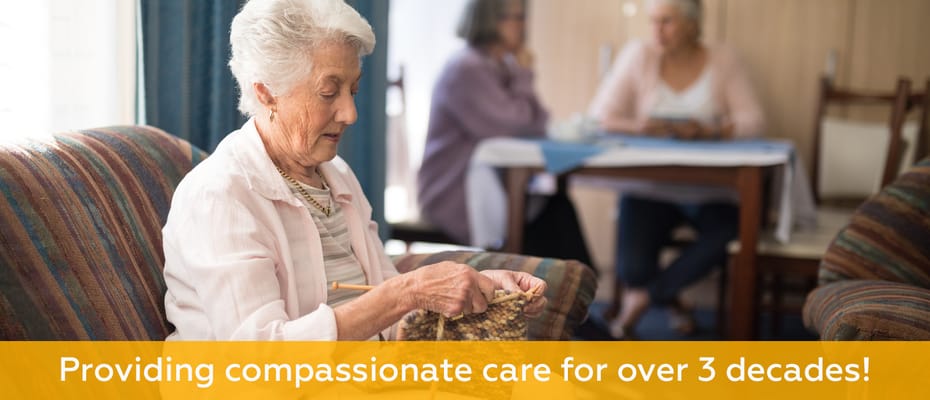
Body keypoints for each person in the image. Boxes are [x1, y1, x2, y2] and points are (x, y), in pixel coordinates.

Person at [161, 0, 547, 341]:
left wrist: (482, 290)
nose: (350, 114)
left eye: (354, 90)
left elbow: (392, 320)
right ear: (266, 92)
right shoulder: (221, 196)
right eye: (329, 92)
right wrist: (405, 292)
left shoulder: (336, 175)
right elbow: (260, 368)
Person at [587, 0, 765, 339]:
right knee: (632, 268)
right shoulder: (639, 55)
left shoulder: (724, 58)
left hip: (712, 191)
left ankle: (643, 299)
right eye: (653, 21)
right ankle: (669, 300)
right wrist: (643, 126)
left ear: (692, 24)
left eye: (666, 21)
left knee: (736, 230)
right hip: (651, 189)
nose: (656, 30)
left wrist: (709, 130)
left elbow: (753, 121)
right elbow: (599, 117)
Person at [417, 0, 592, 265]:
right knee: (553, 219)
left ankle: (573, 295)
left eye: (522, 18)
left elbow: (539, 122)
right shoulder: (467, 68)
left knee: (558, 209)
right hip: (454, 193)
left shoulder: (499, 66)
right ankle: (563, 295)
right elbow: (514, 126)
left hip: (492, 187)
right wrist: (525, 75)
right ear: (489, 20)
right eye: (513, 18)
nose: (522, 26)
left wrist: (521, 75)